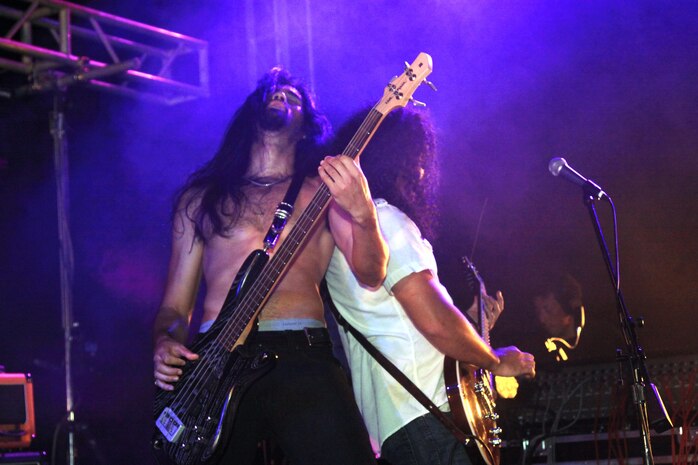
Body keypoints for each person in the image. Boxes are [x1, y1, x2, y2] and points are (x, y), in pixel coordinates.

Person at [152, 67, 388, 465]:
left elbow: (372, 272)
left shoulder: (322, 191)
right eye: (273, 91)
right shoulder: (200, 198)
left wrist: (364, 214)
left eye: (294, 96)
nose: (281, 94)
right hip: (214, 365)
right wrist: (163, 342)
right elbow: (175, 308)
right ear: (250, 112)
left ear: (306, 126)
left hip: (300, 354)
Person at [324, 106, 536, 465]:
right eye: (416, 158)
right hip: (429, 415)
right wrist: (495, 361)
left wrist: (470, 320)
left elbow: (401, 322)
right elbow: (434, 322)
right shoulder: (386, 220)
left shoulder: (355, 230)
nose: (422, 172)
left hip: (400, 421)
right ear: (393, 159)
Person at [531, 272, 585, 363]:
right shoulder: (536, 353)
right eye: (538, 312)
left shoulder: (598, 345)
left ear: (568, 308)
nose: (542, 319)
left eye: (548, 310)